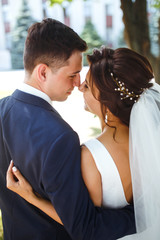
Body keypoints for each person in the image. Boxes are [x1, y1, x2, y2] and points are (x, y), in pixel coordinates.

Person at [0, 19, 135, 240]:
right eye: (72, 75)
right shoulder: (60, 137)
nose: (77, 83)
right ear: (42, 73)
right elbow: (83, 224)